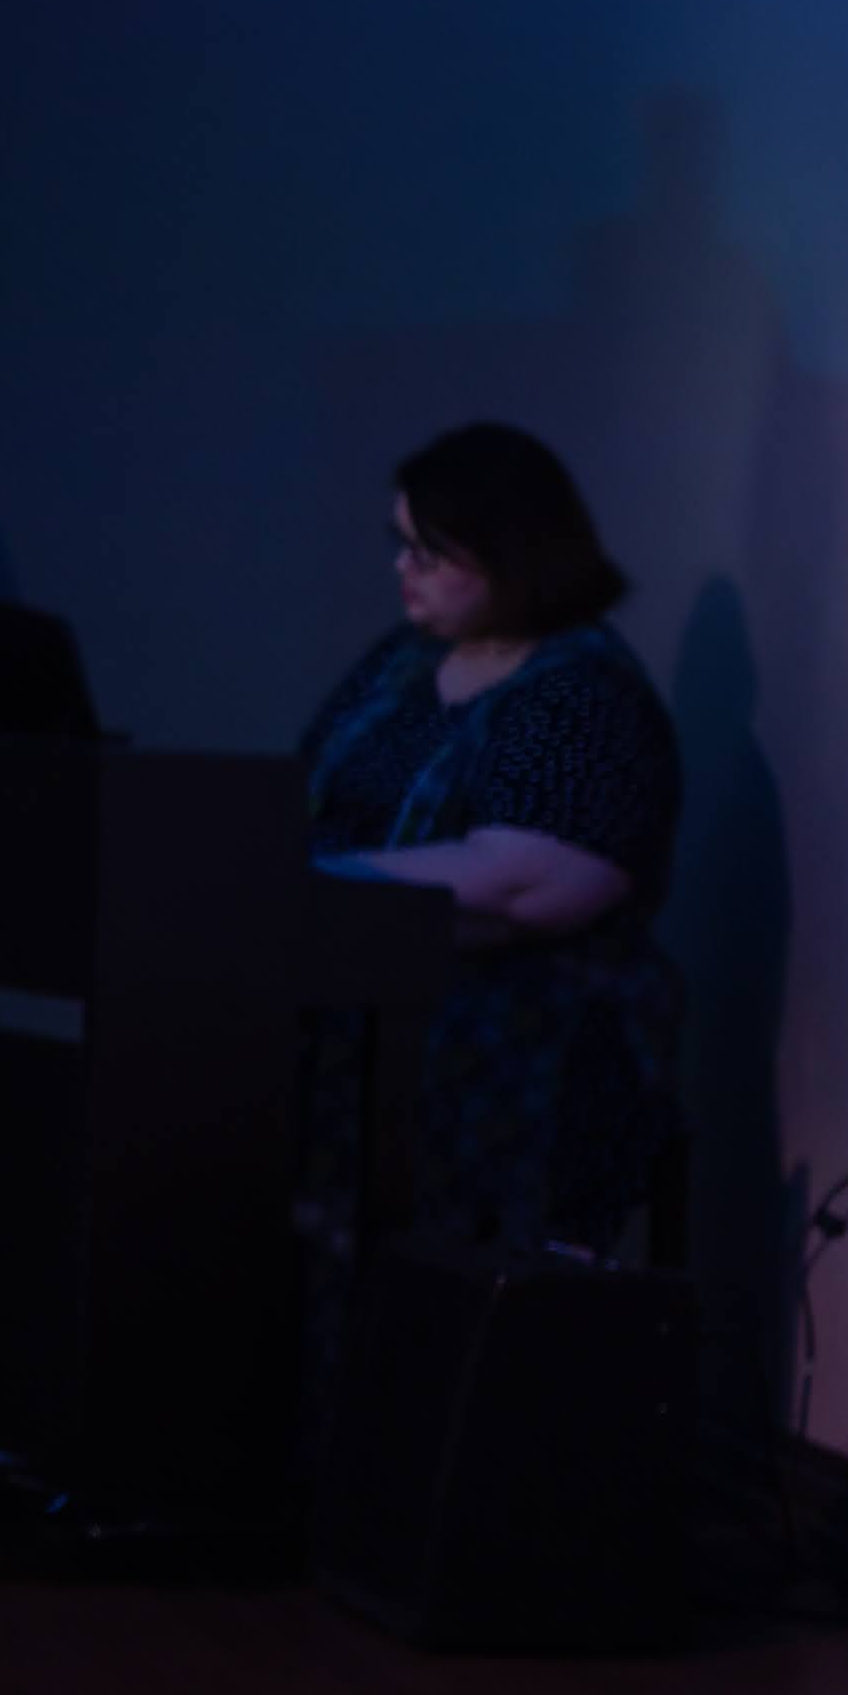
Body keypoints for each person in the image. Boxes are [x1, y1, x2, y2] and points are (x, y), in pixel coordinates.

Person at [303, 421, 687, 1254]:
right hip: (364, 1053)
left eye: (429, 552)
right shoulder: (401, 665)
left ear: (510, 554)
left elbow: (525, 881)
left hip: (514, 1071)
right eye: (401, 545)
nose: (403, 570)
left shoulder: (583, 694)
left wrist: (323, 882)